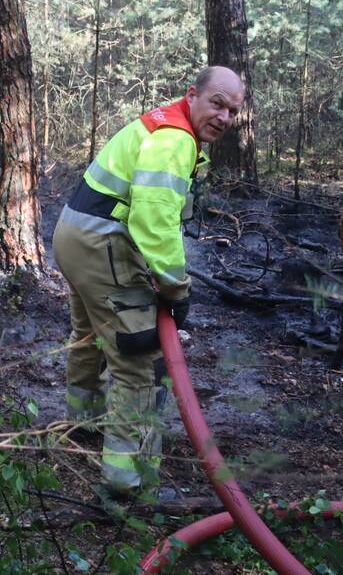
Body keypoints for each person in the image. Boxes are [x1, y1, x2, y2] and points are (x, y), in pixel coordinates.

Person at [52, 65, 245, 499]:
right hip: (101, 244)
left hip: (73, 234)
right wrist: (176, 288)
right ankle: (127, 482)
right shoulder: (176, 139)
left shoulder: (164, 123)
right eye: (217, 104)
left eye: (233, 111)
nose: (224, 117)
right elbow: (152, 220)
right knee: (140, 363)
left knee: (89, 337)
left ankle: (82, 424)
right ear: (192, 94)